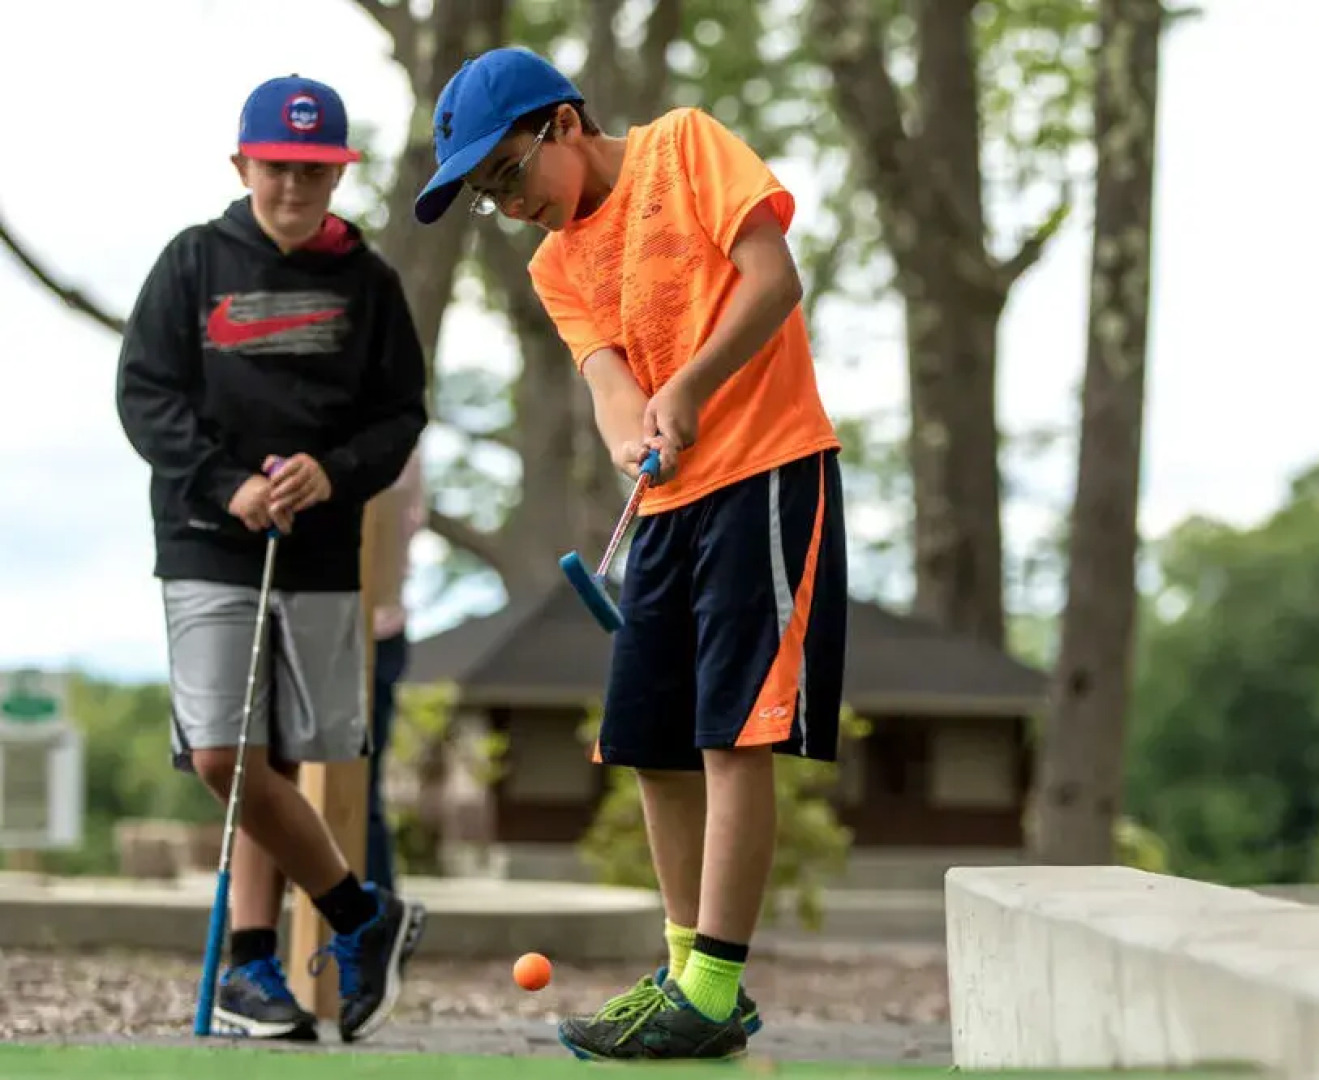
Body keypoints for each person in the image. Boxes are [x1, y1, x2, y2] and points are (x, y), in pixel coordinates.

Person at [412, 47, 849, 1062]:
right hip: (668, 502)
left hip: (768, 472)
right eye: (485, 194)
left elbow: (773, 280)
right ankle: (685, 967)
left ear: (561, 125)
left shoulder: (683, 147)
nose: (505, 202)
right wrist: (627, 432)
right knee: (647, 739)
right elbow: (609, 378)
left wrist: (689, 388)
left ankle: (713, 984)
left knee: (729, 734)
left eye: (505, 175)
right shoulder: (555, 262)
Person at [115, 73, 429, 1044]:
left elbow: (399, 416)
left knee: (280, 758)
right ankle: (360, 914)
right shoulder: (193, 262)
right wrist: (225, 484)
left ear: (338, 174)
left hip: (321, 551)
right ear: (242, 165)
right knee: (223, 755)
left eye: (315, 170)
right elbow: (146, 393)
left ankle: (252, 969)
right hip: (208, 541)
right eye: (279, 166)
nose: (295, 185)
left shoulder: (369, 285)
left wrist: (333, 476)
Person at [365, 446, 426, 894]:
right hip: (313, 625)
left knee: (361, 785)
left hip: (377, 627)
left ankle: (377, 915)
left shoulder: (396, 437)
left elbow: (400, 510)